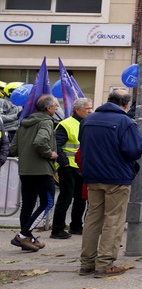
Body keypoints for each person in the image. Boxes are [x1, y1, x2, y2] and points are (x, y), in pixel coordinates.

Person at [78, 87, 142, 278]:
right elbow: (134, 150)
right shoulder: (124, 121)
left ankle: (87, 263)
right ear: (126, 104)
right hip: (116, 177)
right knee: (113, 220)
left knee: (92, 218)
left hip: (92, 176)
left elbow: (83, 144)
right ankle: (105, 263)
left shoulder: (88, 120)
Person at [11, 94, 59, 253]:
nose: (57, 108)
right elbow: (39, 142)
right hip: (41, 170)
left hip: (25, 170)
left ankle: (28, 239)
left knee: (28, 204)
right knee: (47, 203)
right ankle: (23, 234)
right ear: (48, 108)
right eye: (55, 106)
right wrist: (49, 154)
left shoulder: (24, 123)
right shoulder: (46, 121)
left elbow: (13, 148)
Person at [50, 97, 93, 239]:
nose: (90, 111)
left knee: (81, 198)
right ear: (77, 109)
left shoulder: (88, 123)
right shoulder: (65, 124)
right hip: (68, 167)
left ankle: (76, 226)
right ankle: (57, 229)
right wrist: (64, 163)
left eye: (90, 108)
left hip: (81, 166)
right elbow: (58, 145)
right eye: (87, 108)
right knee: (66, 198)